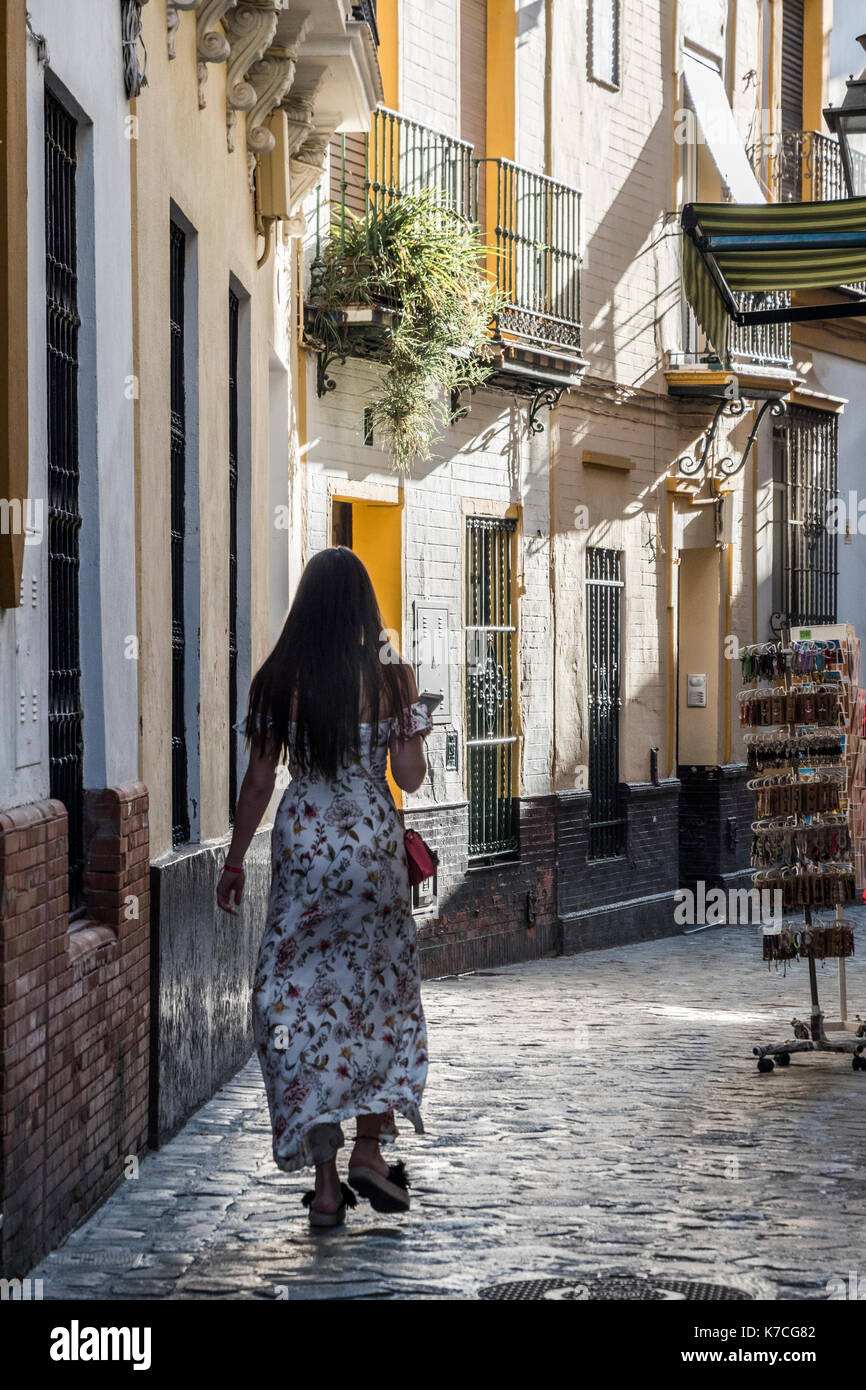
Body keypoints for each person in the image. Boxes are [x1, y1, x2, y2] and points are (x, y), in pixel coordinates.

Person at [217, 546, 432, 1228]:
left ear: (305, 605)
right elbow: (411, 776)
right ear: (364, 606)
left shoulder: (279, 677)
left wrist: (232, 861)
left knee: (296, 1002)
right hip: (372, 848)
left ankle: (327, 1183)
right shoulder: (393, 676)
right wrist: (411, 726)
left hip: (305, 843)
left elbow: (258, 783)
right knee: (379, 994)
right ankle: (370, 1146)